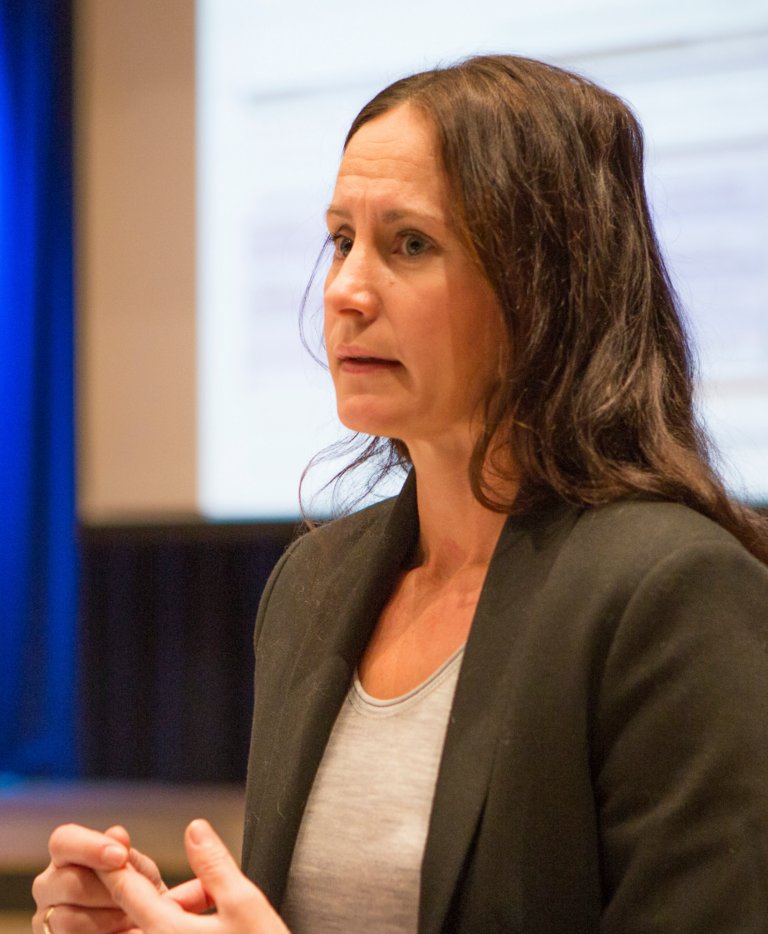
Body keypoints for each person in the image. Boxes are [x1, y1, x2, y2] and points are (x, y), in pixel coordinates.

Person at [33, 54, 768, 933]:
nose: (345, 291)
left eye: (410, 244)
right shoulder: (314, 584)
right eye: (342, 239)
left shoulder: (673, 594)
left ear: (548, 283)